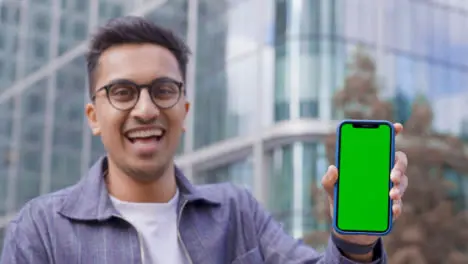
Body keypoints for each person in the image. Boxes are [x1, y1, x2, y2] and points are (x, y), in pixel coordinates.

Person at [0, 16, 409, 264]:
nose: (145, 109)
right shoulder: (40, 230)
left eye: (163, 90)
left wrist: (356, 243)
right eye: (122, 92)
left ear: (185, 111)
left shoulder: (238, 213)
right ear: (93, 116)